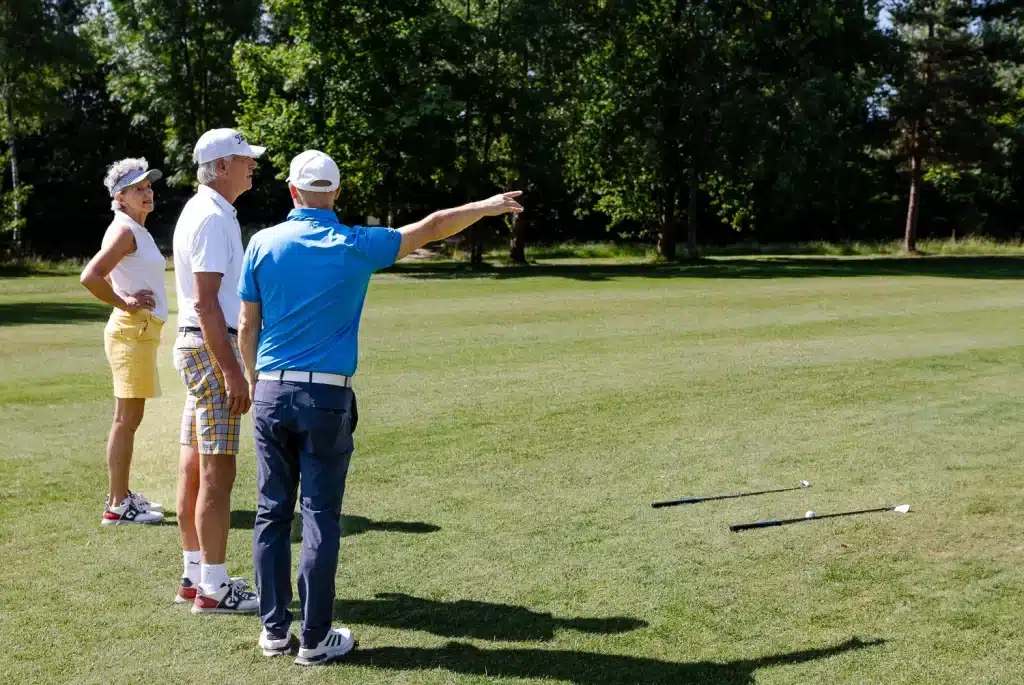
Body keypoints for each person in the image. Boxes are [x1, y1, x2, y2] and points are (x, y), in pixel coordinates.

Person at [237, 149, 522, 665]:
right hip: (327, 395)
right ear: (337, 194)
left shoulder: (261, 243)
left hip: (271, 391)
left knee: (271, 514)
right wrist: (485, 205)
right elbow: (432, 226)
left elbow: (247, 326)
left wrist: (255, 382)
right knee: (320, 516)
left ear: (293, 192)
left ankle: (275, 631)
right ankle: (316, 638)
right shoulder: (355, 243)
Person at [171, 128, 265, 613]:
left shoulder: (204, 210)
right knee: (217, 472)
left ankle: (195, 575)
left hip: (196, 345)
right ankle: (214, 587)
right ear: (222, 166)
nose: (253, 164)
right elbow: (208, 303)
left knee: (195, 467)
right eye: (246, 158)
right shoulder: (212, 216)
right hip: (211, 347)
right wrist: (233, 370)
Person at [80, 158, 167, 526]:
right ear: (121, 197)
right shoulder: (124, 231)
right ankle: (117, 505)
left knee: (130, 418)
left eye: (148, 187)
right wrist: (125, 301)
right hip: (132, 331)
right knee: (125, 420)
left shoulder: (133, 229)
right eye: (138, 189)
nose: (147, 193)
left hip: (141, 333)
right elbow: (91, 275)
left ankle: (122, 496)